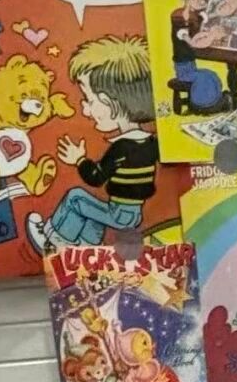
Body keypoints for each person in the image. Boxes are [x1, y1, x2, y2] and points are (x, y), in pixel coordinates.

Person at [26, 36, 158, 251]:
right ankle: (86, 249)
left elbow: (95, 178)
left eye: (89, 100)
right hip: (132, 213)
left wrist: (79, 160)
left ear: (108, 103)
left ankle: (53, 242)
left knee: (76, 198)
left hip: (121, 214)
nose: (86, 110)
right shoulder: (150, 142)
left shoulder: (122, 147)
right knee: (94, 213)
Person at [170, 0, 229, 114]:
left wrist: (218, 13)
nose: (201, 2)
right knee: (203, 78)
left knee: (211, 75)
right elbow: (188, 39)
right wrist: (210, 37)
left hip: (190, 62)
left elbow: (203, 19)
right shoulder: (179, 16)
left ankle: (216, 101)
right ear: (189, 0)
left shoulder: (194, 15)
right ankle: (201, 105)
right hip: (182, 65)